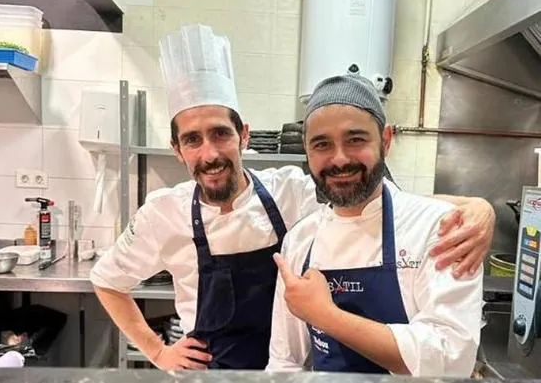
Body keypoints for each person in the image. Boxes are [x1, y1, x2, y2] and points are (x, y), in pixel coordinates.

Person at [90, 24, 493, 371]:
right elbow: (106, 281)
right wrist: (158, 352)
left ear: (243, 135)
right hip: (211, 375)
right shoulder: (163, 212)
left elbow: (372, 200)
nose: (209, 153)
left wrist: (476, 208)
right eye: (192, 140)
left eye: (220, 134)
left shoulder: (290, 191)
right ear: (177, 149)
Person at [266, 72, 484, 376]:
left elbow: (450, 358)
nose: (339, 159)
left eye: (355, 139)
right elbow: (284, 362)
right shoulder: (301, 239)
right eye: (322, 144)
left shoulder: (437, 227)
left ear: (386, 139)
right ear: (307, 150)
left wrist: (327, 316)